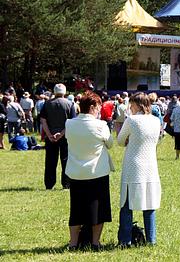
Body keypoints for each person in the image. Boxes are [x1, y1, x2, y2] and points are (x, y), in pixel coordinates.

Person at [65, 92, 113, 250]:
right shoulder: (101, 125)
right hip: (96, 173)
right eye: (99, 106)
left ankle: (73, 243)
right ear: (92, 107)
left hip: (76, 173)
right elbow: (110, 144)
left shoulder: (69, 124)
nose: (100, 110)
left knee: (76, 209)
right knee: (98, 209)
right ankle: (95, 242)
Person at [117, 92, 162, 246]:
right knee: (149, 204)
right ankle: (151, 239)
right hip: (150, 165)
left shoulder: (132, 120)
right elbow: (156, 141)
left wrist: (130, 140)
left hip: (133, 165)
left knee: (126, 204)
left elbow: (120, 141)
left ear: (136, 104)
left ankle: (125, 240)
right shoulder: (156, 120)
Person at [40, 84, 77, 189]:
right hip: (65, 136)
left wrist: (49, 134)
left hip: (50, 137)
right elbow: (72, 122)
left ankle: (49, 184)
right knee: (65, 160)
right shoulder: (70, 104)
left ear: (54, 92)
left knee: (50, 161)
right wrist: (61, 134)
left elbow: (43, 120)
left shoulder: (47, 104)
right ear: (64, 92)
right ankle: (66, 184)